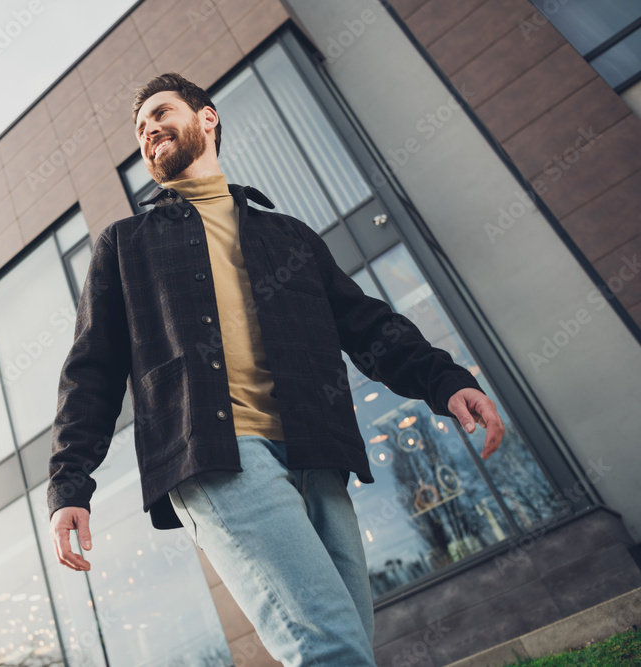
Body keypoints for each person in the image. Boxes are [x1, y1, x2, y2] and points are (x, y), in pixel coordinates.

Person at [46, 72, 505, 666]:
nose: (148, 131)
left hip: (318, 452)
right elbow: (92, 370)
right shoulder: (126, 245)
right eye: (139, 128)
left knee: (346, 642)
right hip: (217, 457)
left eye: (160, 113)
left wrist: (447, 381)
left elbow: (366, 326)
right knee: (329, 648)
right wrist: (69, 482)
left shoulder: (288, 236)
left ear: (206, 118)